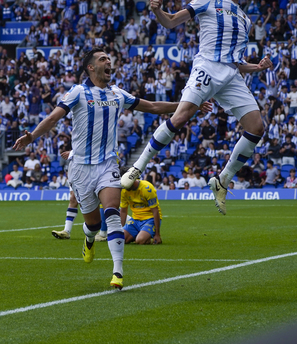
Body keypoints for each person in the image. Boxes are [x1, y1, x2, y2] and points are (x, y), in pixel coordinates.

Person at [13, 48, 210, 289]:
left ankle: (118, 272)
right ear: (91, 67)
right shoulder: (78, 92)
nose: (109, 61)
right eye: (102, 59)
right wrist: (32, 137)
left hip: (108, 164)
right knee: (93, 225)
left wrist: (189, 105)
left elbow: (154, 107)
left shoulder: (117, 93)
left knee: (113, 216)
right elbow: (54, 118)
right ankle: (88, 239)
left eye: (109, 58)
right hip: (80, 168)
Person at [121, 0, 273, 215]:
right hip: (207, 67)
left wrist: (256, 67)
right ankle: (137, 166)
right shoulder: (208, 0)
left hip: (232, 74)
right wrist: (157, 11)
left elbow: (236, 61)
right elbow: (170, 22)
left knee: (257, 127)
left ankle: (222, 180)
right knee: (181, 117)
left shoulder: (246, 20)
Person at [120, 167, 162, 245]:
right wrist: (120, 230)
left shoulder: (147, 188)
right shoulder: (124, 190)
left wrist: (157, 235)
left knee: (140, 240)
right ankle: (141, 234)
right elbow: (123, 211)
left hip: (150, 219)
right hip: (135, 220)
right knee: (121, 239)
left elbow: (155, 211)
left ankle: (143, 236)